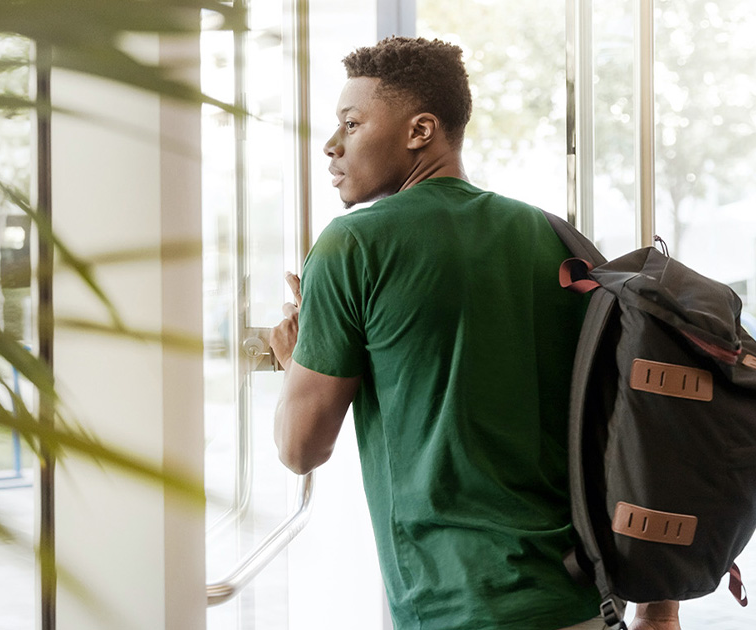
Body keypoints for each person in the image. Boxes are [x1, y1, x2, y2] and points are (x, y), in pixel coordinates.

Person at [267, 37, 681, 630]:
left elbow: (299, 449)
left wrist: (296, 359)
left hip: (459, 606)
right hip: (585, 599)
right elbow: (636, 417)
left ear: (420, 130)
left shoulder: (352, 244)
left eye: (351, 124)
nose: (332, 146)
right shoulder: (557, 240)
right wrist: (659, 608)